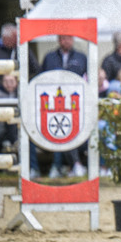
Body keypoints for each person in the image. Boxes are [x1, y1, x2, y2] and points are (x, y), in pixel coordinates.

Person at [41, 36, 89, 178]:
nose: (66, 41)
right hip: (53, 103)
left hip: (75, 103)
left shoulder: (82, 57)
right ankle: (66, 166)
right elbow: (41, 78)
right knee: (58, 130)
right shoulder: (49, 57)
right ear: (58, 40)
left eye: (68, 38)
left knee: (64, 131)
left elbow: (88, 79)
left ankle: (62, 167)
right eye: (63, 39)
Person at [0, 22, 39, 87]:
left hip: (20, 88)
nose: (17, 40)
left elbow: (35, 69)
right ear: (4, 38)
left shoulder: (22, 49)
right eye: (14, 37)